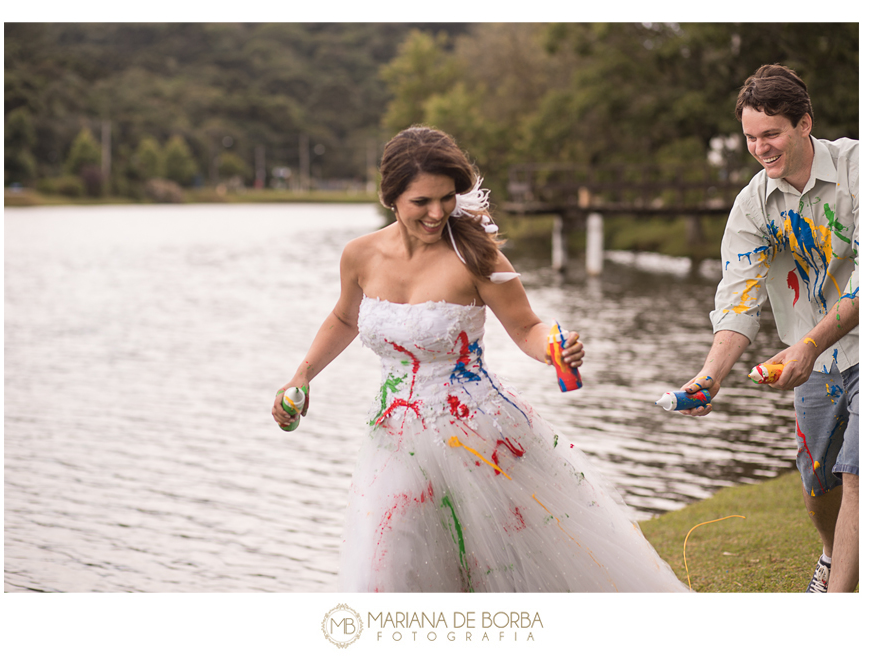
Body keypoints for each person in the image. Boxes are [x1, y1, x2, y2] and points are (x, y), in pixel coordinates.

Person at [272, 126, 688, 592]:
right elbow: (345, 318)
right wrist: (303, 374)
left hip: (477, 435)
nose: (437, 213)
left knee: (508, 567)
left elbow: (527, 326)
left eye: (447, 198)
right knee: (393, 564)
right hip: (393, 436)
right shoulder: (359, 255)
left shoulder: (475, 255)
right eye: (421, 202)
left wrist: (556, 348)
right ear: (391, 198)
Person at [679, 64, 858, 593]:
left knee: (859, 473)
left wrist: (806, 344)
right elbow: (739, 297)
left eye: (772, 134)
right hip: (818, 361)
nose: (761, 148)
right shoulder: (754, 204)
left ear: (805, 124)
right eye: (751, 138)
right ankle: (833, 555)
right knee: (818, 481)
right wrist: (711, 375)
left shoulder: (860, 168)